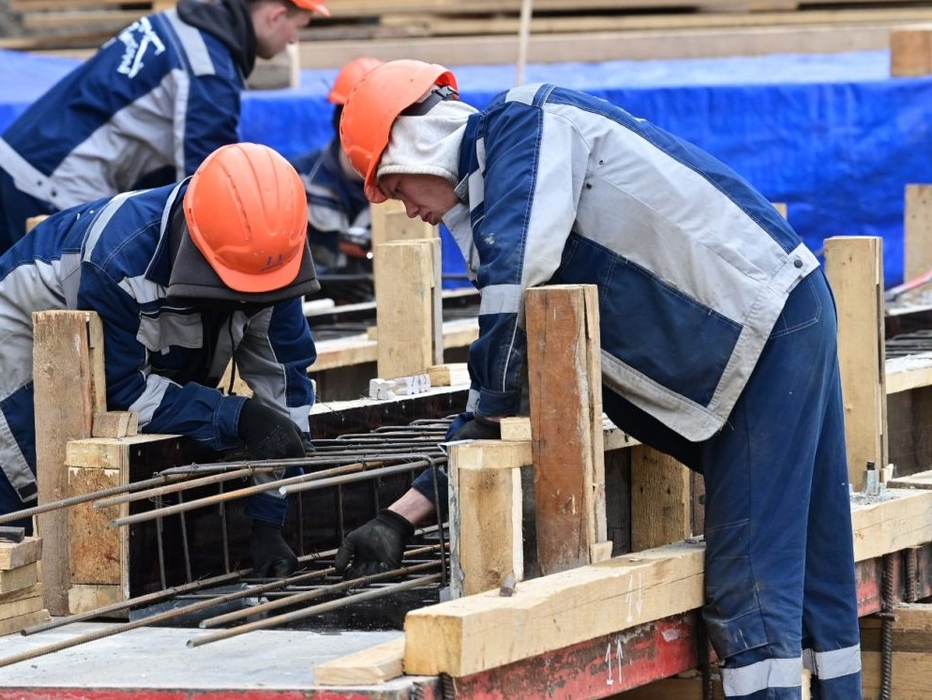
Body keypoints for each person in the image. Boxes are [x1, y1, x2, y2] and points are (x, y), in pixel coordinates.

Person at [332, 60, 862, 700]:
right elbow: (511, 395)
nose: (403, 207)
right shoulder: (516, 199)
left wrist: (483, 404)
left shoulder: (526, 128)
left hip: (762, 334)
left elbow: (506, 332)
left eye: (391, 184)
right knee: (814, 554)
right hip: (771, 323)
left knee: (749, 582)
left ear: (414, 143)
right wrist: (402, 516)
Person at [0, 0, 331, 336]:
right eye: (300, 23)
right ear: (276, 13)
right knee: (79, 333)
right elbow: (212, 190)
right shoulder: (209, 71)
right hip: (54, 189)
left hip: (12, 159)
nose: (295, 38)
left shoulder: (175, 24)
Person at [0, 142, 320, 578]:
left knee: (163, 452)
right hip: (10, 341)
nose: (247, 299)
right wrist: (237, 416)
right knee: (22, 495)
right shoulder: (118, 260)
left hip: (108, 344)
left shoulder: (269, 261)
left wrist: (269, 521)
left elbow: (286, 399)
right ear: (195, 246)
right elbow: (121, 392)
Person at [291, 56, 383, 302]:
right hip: (314, 314)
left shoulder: (405, 189)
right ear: (343, 127)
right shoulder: (297, 182)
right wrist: (323, 283)